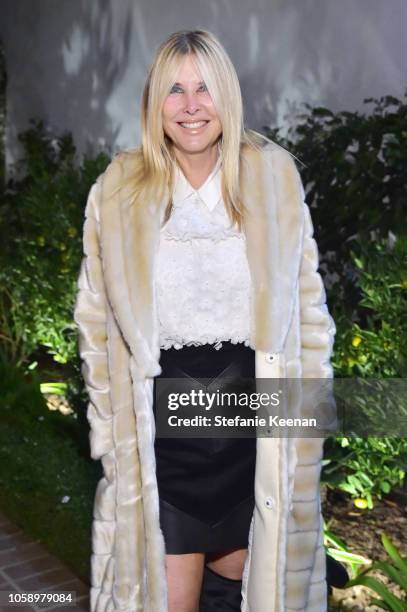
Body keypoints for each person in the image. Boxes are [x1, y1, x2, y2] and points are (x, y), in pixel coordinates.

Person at [74, 29, 337, 612]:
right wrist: (112, 439)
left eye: (205, 88)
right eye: (174, 89)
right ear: (153, 102)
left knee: (256, 594)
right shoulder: (117, 192)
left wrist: (305, 439)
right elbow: (95, 327)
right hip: (161, 452)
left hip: (256, 443)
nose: (191, 106)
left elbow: (309, 318)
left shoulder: (273, 180)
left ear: (228, 97)